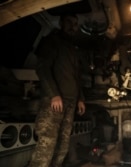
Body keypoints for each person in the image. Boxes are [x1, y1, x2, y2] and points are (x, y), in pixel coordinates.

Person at [29, 13, 86, 167]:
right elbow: (42, 69)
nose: (72, 26)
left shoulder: (72, 48)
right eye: (69, 21)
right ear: (61, 22)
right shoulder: (52, 41)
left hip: (70, 101)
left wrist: (80, 98)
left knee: (63, 144)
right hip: (54, 100)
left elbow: (76, 76)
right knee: (47, 143)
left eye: (75, 24)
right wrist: (54, 95)